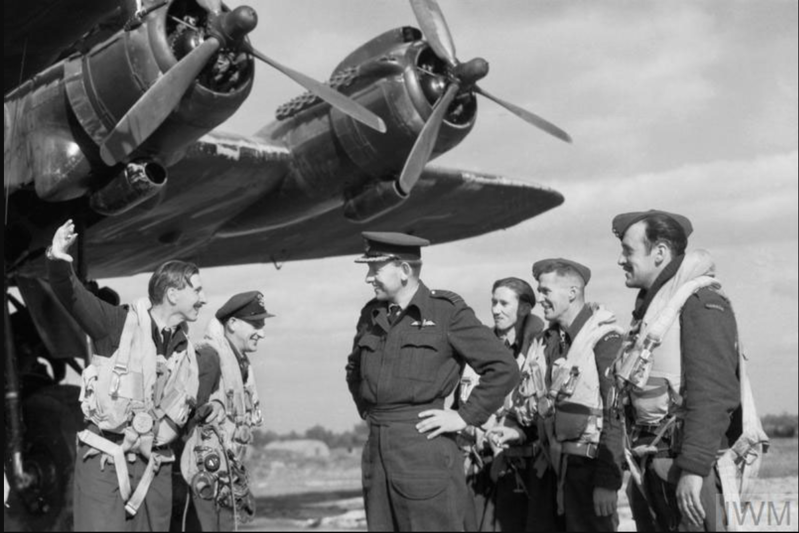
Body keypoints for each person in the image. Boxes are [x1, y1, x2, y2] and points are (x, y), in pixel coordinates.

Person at [345, 232, 520, 532]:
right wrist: (372, 412)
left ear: (403, 270)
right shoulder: (370, 314)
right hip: (377, 451)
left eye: (375, 269)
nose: (368, 278)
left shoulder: (446, 312)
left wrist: (465, 417)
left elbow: (503, 367)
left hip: (424, 450)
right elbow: (354, 369)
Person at [47, 219, 203, 531]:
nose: (204, 298)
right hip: (105, 463)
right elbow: (73, 296)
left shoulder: (185, 351)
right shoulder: (116, 324)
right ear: (173, 294)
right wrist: (59, 259)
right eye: (197, 290)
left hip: (153, 468)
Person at [610, 210, 741, 532]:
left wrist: (694, 469)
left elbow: (714, 391)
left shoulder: (700, 302)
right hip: (655, 463)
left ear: (660, 253)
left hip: (684, 468)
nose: (620, 260)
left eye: (628, 250)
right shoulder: (651, 312)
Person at [492, 258, 625, 532]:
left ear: (572, 292)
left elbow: (617, 412)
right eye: (540, 292)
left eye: (546, 292)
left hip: (588, 470)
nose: (540, 299)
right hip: (549, 471)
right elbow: (536, 408)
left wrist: (607, 481)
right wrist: (514, 430)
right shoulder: (545, 343)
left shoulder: (605, 340)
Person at [457, 277, 545, 531]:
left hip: (521, 468)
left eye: (504, 303)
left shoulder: (539, 350)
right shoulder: (476, 348)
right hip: (476, 465)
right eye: (493, 302)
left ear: (525, 307)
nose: (496, 310)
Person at [180, 291, 273, 531]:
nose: (261, 332)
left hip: (226, 478)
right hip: (205, 480)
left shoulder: (240, 363)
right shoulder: (210, 357)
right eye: (256, 324)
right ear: (232, 324)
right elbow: (185, 421)